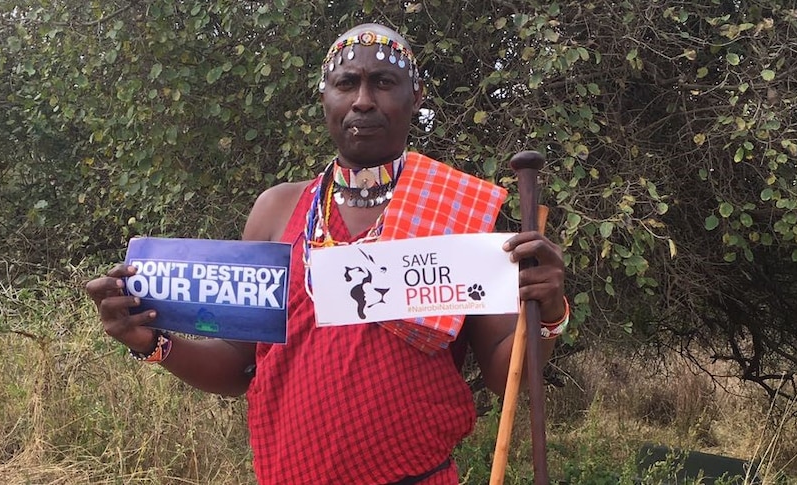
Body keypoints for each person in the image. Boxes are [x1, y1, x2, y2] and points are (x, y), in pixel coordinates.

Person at [86, 22, 567, 484]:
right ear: (325, 96)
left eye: (383, 82)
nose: (363, 100)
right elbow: (239, 365)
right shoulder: (278, 212)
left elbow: (508, 378)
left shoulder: (455, 211)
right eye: (346, 83)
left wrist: (548, 312)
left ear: (415, 98)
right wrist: (149, 342)